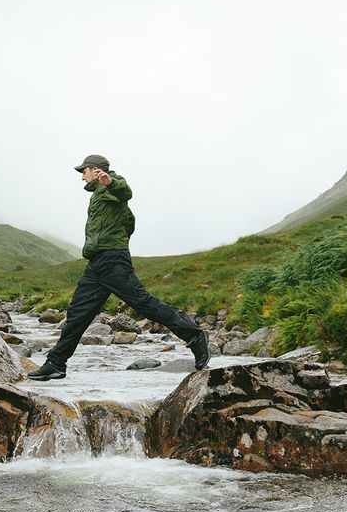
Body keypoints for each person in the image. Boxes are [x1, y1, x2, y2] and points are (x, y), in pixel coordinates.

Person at [27, 154, 211, 381]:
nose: (81, 177)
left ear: (95, 170)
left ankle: (195, 337)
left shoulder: (111, 186)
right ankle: (56, 364)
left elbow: (126, 192)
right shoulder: (97, 196)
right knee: (77, 314)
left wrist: (110, 183)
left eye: (83, 172)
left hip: (112, 261)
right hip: (97, 264)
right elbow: (129, 223)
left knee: (143, 303)